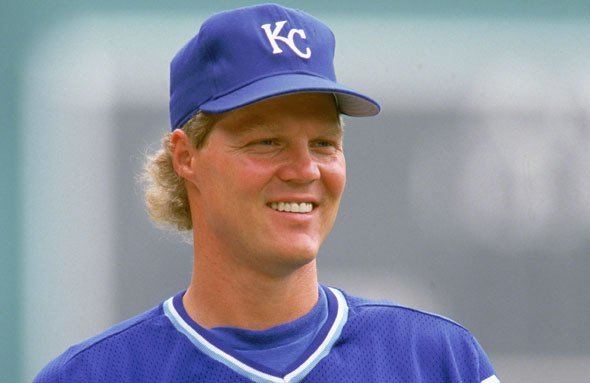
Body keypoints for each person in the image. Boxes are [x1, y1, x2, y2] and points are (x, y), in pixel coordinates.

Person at [34, 3, 500, 382]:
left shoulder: (439, 364)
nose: (305, 170)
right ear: (186, 156)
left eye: (324, 144)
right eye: (267, 142)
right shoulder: (93, 375)